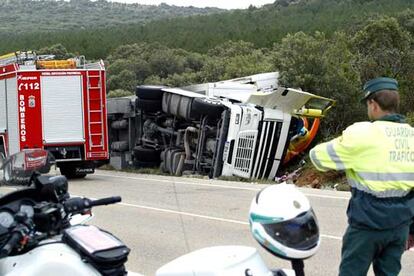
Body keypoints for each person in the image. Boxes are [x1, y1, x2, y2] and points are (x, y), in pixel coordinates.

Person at [309, 77, 414, 276]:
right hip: (399, 228)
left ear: (373, 104)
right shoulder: (412, 136)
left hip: (366, 226)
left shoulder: (361, 134)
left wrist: (343, 140)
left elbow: (317, 157)